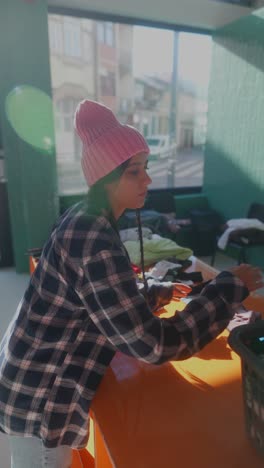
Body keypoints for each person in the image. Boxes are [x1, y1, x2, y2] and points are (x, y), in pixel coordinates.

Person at [0, 100, 263, 468]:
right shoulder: (92, 236)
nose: (148, 181)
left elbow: (99, 296)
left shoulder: (86, 218)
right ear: (106, 177)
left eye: (146, 169)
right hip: (40, 395)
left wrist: (158, 292)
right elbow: (153, 344)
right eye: (134, 172)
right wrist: (227, 289)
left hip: (27, 372)